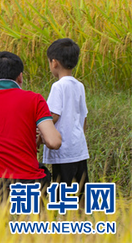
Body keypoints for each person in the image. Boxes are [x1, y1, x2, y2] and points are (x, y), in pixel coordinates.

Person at [0, 52, 62, 199]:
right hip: (29, 185)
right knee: (43, 172)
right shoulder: (35, 100)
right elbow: (54, 142)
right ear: (20, 77)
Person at [41, 38, 90, 198]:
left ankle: (60, 217)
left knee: (62, 186)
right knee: (83, 186)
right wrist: (81, 138)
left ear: (54, 63)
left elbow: (53, 115)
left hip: (63, 149)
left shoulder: (58, 86)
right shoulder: (79, 85)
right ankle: (85, 214)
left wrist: (42, 131)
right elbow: (84, 116)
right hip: (79, 147)